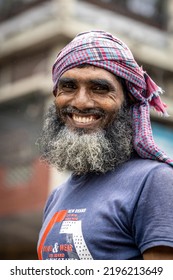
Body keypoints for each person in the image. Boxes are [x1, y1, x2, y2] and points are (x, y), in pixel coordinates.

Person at [37, 30, 173, 260]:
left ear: (128, 102)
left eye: (99, 88)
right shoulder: (57, 195)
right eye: (68, 87)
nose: (80, 102)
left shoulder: (155, 181)